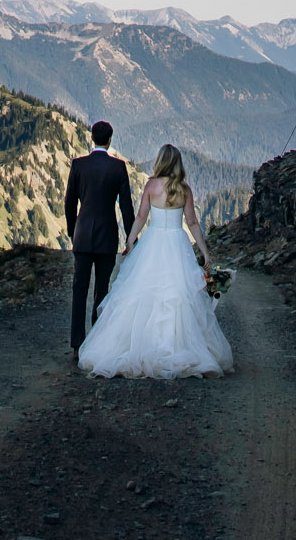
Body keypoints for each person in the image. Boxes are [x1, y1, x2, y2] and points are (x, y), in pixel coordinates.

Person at [77, 141, 233, 379]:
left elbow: (141, 216)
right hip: (177, 245)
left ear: (160, 161)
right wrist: (205, 252)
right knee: (179, 295)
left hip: (153, 243)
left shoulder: (151, 186)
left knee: (140, 292)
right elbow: (192, 223)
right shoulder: (184, 189)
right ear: (178, 163)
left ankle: (140, 346)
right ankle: (177, 346)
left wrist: (130, 242)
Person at [63, 120, 135, 360]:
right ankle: (97, 340)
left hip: (83, 235)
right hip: (107, 237)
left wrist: (73, 231)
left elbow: (70, 201)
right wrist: (130, 237)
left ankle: (76, 345)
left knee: (79, 289)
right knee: (101, 290)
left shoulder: (78, 165)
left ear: (92, 138)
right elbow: (125, 205)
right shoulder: (118, 168)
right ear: (110, 139)